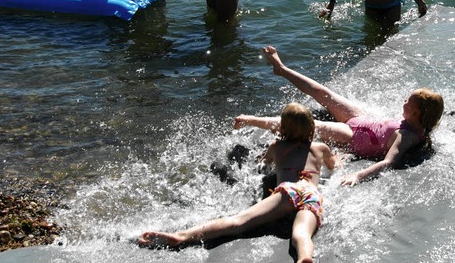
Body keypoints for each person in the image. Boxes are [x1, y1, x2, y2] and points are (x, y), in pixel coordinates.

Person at [138, 102, 338, 263]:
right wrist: (338, 161)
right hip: (310, 192)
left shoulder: (276, 146)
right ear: (312, 126)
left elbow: (263, 165)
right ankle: (304, 257)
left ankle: (181, 236)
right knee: (302, 232)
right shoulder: (320, 148)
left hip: (288, 191)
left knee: (239, 221)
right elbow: (332, 164)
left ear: (283, 128)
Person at [234, 46, 444, 187]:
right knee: (324, 93)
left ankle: (251, 120)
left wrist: (358, 175)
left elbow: (389, 162)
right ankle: (282, 69)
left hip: (352, 135)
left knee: (308, 124)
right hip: (363, 120)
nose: (404, 102)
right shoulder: (417, 123)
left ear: (417, 112)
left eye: (408, 101)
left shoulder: (406, 136)